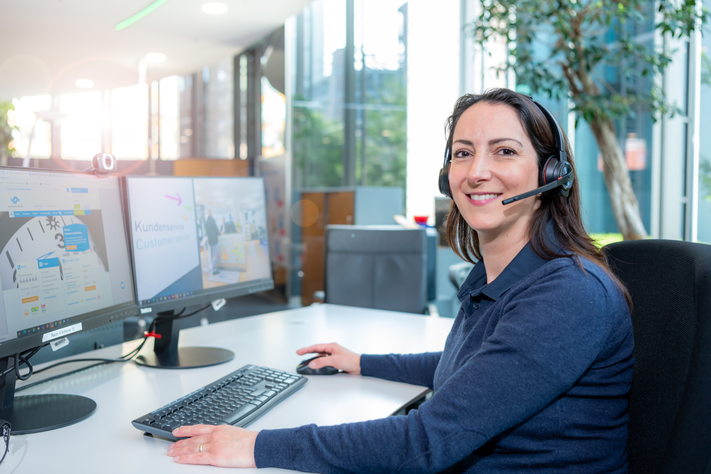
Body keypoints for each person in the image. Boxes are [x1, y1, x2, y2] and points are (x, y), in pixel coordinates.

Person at [167, 89, 634, 473]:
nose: (476, 173)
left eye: (504, 152)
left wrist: (256, 447)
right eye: (462, 154)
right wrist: (363, 362)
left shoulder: (568, 294)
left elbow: (425, 443)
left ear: (552, 174)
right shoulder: (500, 274)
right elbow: (472, 369)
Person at [204, 210, 220, 275]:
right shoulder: (212, 220)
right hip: (214, 240)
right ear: (210, 213)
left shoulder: (206, 222)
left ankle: (213, 268)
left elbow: (207, 231)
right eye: (211, 212)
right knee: (214, 255)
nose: (212, 213)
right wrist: (219, 234)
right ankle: (214, 270)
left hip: (210, 241)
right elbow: (216, 230)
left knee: (211, 255)